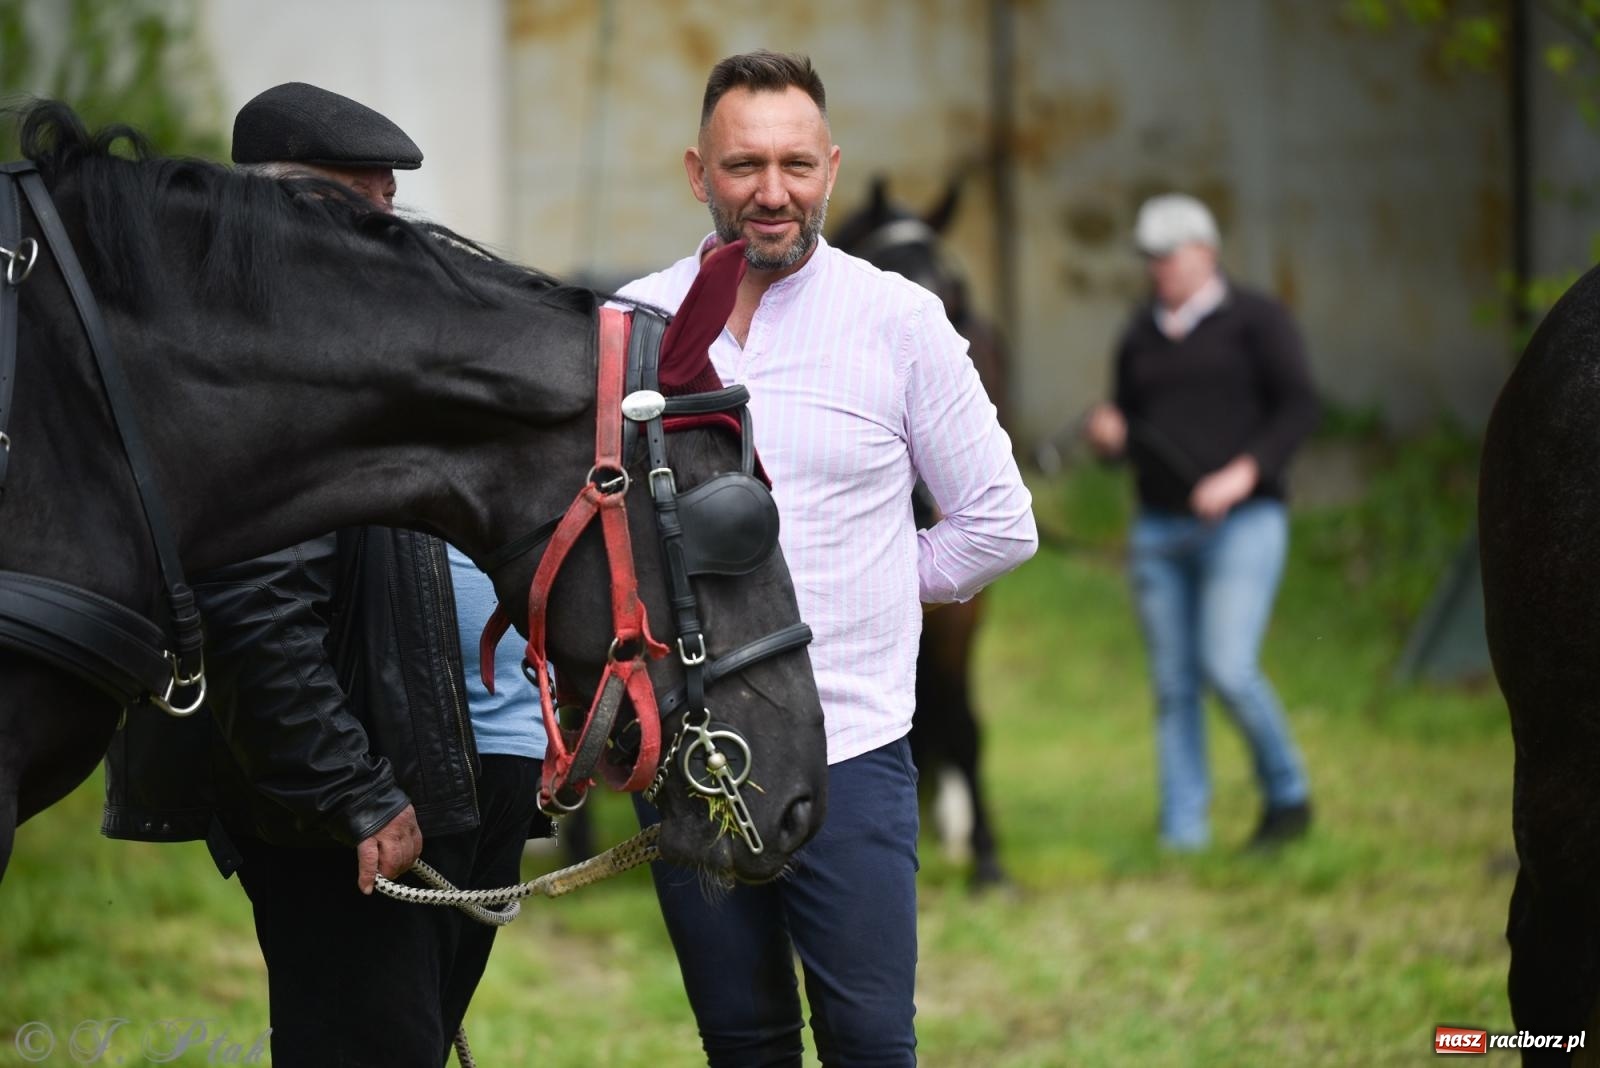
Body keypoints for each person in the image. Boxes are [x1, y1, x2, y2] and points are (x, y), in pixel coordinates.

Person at [101, 82, 546, 1067]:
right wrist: (353, 795)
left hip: (481, 768)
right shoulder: (252, 366)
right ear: (271, 206)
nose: (380, 229)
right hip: (372, 795)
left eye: (386, 203)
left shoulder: (366, 343)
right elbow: (254, 617)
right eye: (356, 200)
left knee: (414, 1043)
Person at [617, 51, 1037, 1066]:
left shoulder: (897, 322)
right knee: (742, 1043)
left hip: (849, 744)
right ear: (696, 171)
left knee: (866, 1043)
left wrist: (867, 593)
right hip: (694, 750)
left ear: (833, 169)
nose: (773, 193)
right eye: (744, 165)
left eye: (796, 165)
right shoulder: (631, 324)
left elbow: (996, 522)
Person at [1083, 192, 1318, 853]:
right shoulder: (1139, 334)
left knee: (1228, 665)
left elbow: (1299, 407)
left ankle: (1287, 792)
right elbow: (1132, 427)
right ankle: (1183, 833)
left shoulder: (1257, 321)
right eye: (1150, 258)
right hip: (1159, 531)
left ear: (1206, 252)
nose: (1159, 269)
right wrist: (1111, 436)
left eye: (1170, 256)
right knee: (1172, 685)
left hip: (1243, 524)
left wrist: (1244, 472)